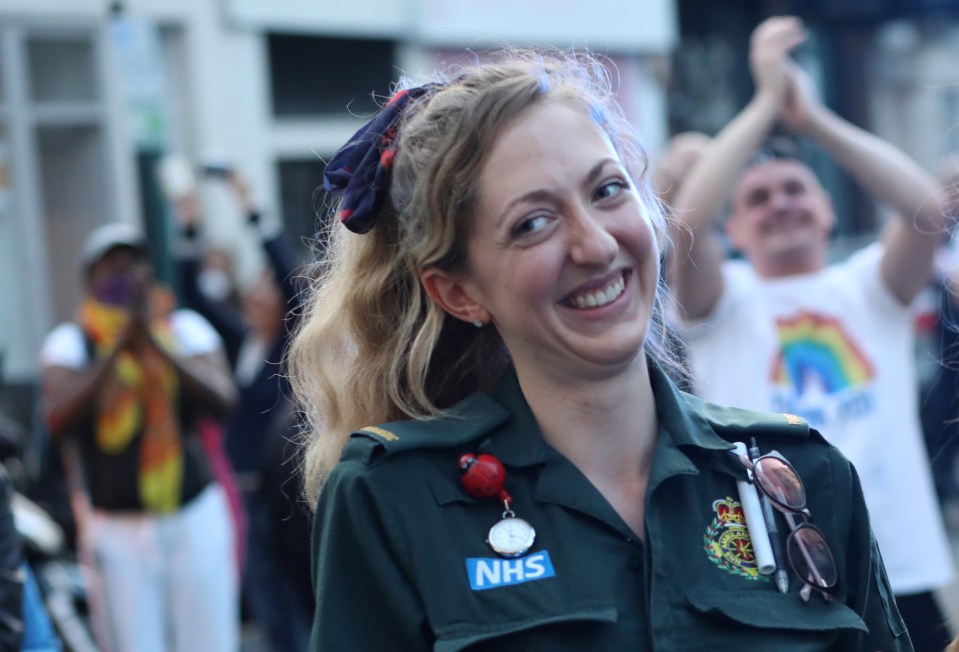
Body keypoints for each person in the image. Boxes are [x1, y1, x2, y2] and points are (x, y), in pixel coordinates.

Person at [289, 49, 910, 649]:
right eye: (533, 223)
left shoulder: (799, 473)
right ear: (458, 293)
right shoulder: (394, 499)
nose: (595, 245)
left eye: (608, 191)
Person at [669, 16, 953, 651]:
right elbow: (686, 222)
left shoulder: (868, 289)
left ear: (827, 208)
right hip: (774, 573)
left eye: (795, 188)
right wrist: (764, 104)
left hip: (899, 563)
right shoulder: (721, 304)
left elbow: (927, 210)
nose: (780, 204)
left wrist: (814, 119)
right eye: (758, 198)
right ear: (734, 232)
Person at [38, 223, 239, 652]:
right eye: (111, 268)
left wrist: (154, 343)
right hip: (116, 529)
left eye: (132, 265)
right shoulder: (71, 342)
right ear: (90, 281)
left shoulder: (184, 328)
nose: (124, 276)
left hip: (192, 514)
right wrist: (118, 348)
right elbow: (57, 417)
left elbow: (223, 399)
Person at [172, 170, 313, 651]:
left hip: (280, 497)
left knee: (293, 602)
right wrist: (188, 222)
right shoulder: (239, 344)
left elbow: (290, 277)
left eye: (265, 289)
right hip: (237, 493)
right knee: (264, 602)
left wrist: (248, 203)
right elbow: (191, 294)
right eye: (252, 289)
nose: (256, 296)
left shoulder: (289, 347)